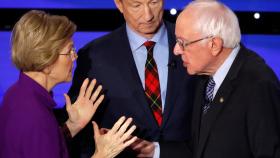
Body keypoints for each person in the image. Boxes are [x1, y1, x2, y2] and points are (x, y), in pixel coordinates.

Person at [60, 0, 195, 157]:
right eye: (136, 5)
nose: (148, 15)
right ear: (119, 4)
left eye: (154, 2)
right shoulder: (95, 56)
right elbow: (82, 133)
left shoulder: (194, 43)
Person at [0, 10, 137, 158]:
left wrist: (73, 125)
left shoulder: (17, 94)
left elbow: (45, 148)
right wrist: (103, 155)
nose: (75, 56)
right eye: (69, 51)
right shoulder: (35, 116)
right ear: (46, 60)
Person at [161, 0, 280, 158]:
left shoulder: (258, 85)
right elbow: (200, 148)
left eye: (183, 43)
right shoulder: (204, 77)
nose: (176, 50)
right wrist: (152, 150)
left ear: (214, 45)